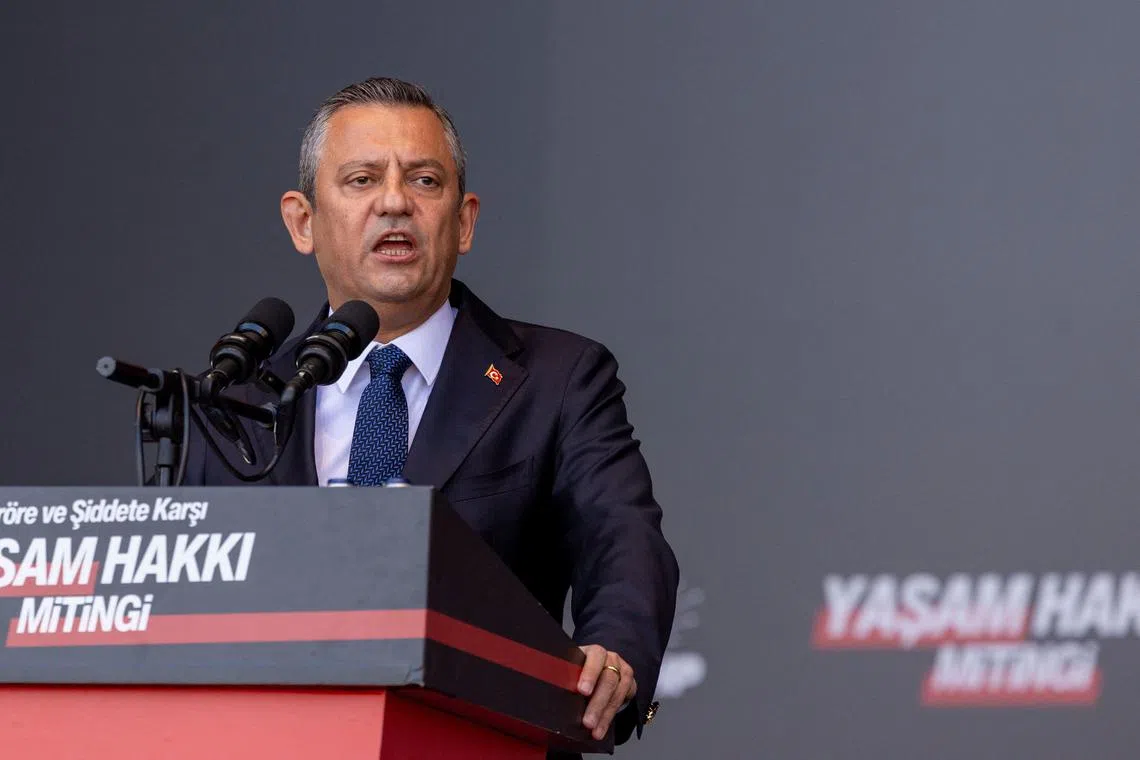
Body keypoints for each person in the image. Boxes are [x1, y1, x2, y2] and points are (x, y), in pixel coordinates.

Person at [185, 76, 678, 754]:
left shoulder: (559, 379)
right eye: (362, 180)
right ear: (303, 222)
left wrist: (613, 650)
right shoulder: (239, 402)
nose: (394, 202)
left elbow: (621, 535)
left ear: (464, 220)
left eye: (423, 181)